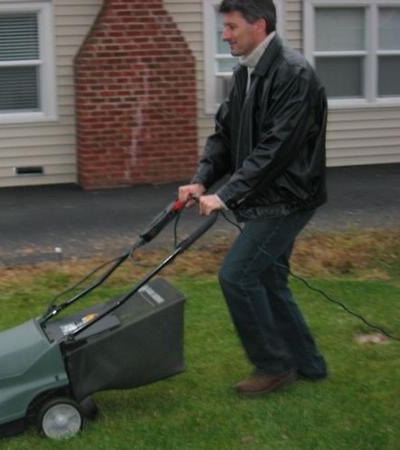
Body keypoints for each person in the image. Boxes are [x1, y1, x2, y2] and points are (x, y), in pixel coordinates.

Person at [178, 0, 328, 396]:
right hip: (265, 195)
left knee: (237, 275)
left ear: (258, 25)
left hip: (288, 198)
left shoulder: (293, 74)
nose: (224, 35)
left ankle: (274, 365)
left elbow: (277, 148)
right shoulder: (246, 73)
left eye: (231, 27)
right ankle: (308, 364)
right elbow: (224, 137)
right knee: (269, 279)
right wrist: (200, 180)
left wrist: (225, 194)